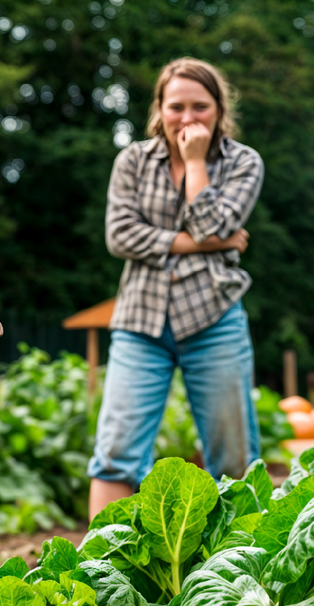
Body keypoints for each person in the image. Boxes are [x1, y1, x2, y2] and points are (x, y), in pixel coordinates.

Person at [88, 57, 265, 518]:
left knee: (234, 459)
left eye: (200, 107)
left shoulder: (243, 162)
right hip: (140, 322)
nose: (188, 118)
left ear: (219, 109)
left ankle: (236, 556)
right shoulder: (132, 161)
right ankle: (101, 556)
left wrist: (195, 163)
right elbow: (120, 237)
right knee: (115, 451)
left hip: (214, 319)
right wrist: (203, 243)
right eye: (176, 106)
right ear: (159, 109)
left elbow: (210, 226)